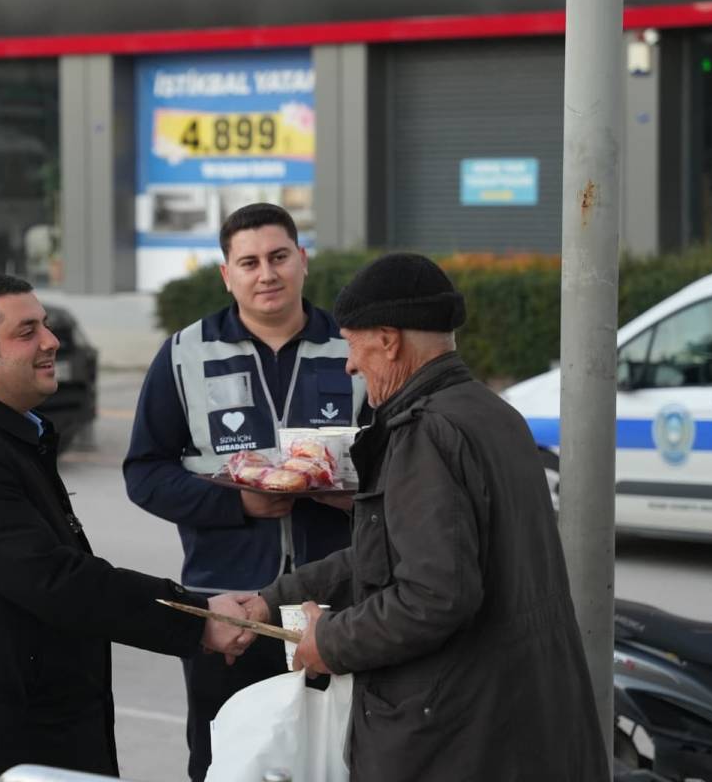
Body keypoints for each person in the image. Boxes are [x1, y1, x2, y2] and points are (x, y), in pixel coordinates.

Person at [239, 253, 607, 780]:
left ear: (388, 340)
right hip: (522, 722)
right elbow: (391, 551)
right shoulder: (493, 412)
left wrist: (330, 642)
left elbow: (434, 596)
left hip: (460, 737)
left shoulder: (427, 433)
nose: (349, 365)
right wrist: (276, 599)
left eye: (353, 344)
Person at [0, 274, 254, 781]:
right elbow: (56, 580)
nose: (51, 341)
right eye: (26, 332)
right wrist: (196, 618)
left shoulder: (1, 435)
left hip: (31, 735)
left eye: (46, 325)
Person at [123, 202, 361, 780]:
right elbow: (144, 473)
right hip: (227, 603)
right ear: (227, 275)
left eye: (279, 257)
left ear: (302, 260)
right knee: (228, 760)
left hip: (337, 600)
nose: (267, 274)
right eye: (249, 263)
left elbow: (402, 465)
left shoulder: (352, 347)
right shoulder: (185, 353)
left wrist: (351, 494)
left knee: (341, 758)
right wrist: (237, 503)